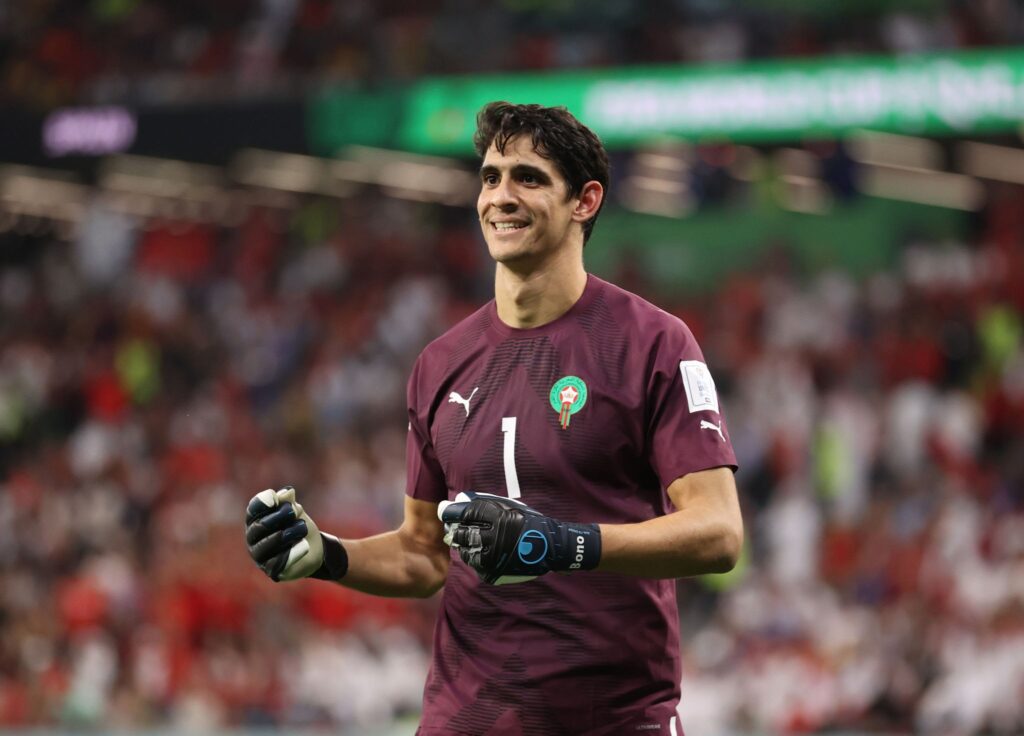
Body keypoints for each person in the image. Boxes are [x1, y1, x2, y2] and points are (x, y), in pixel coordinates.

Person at [245, 101, 744, 735]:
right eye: (490, 177)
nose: (500, 197)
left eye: (528, 178)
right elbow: (423, 553)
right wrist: (328, 555)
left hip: (613, 720)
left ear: (585, 201)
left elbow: (718, 533)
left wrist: (559, 543)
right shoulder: (440, 364)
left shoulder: (653, 343)